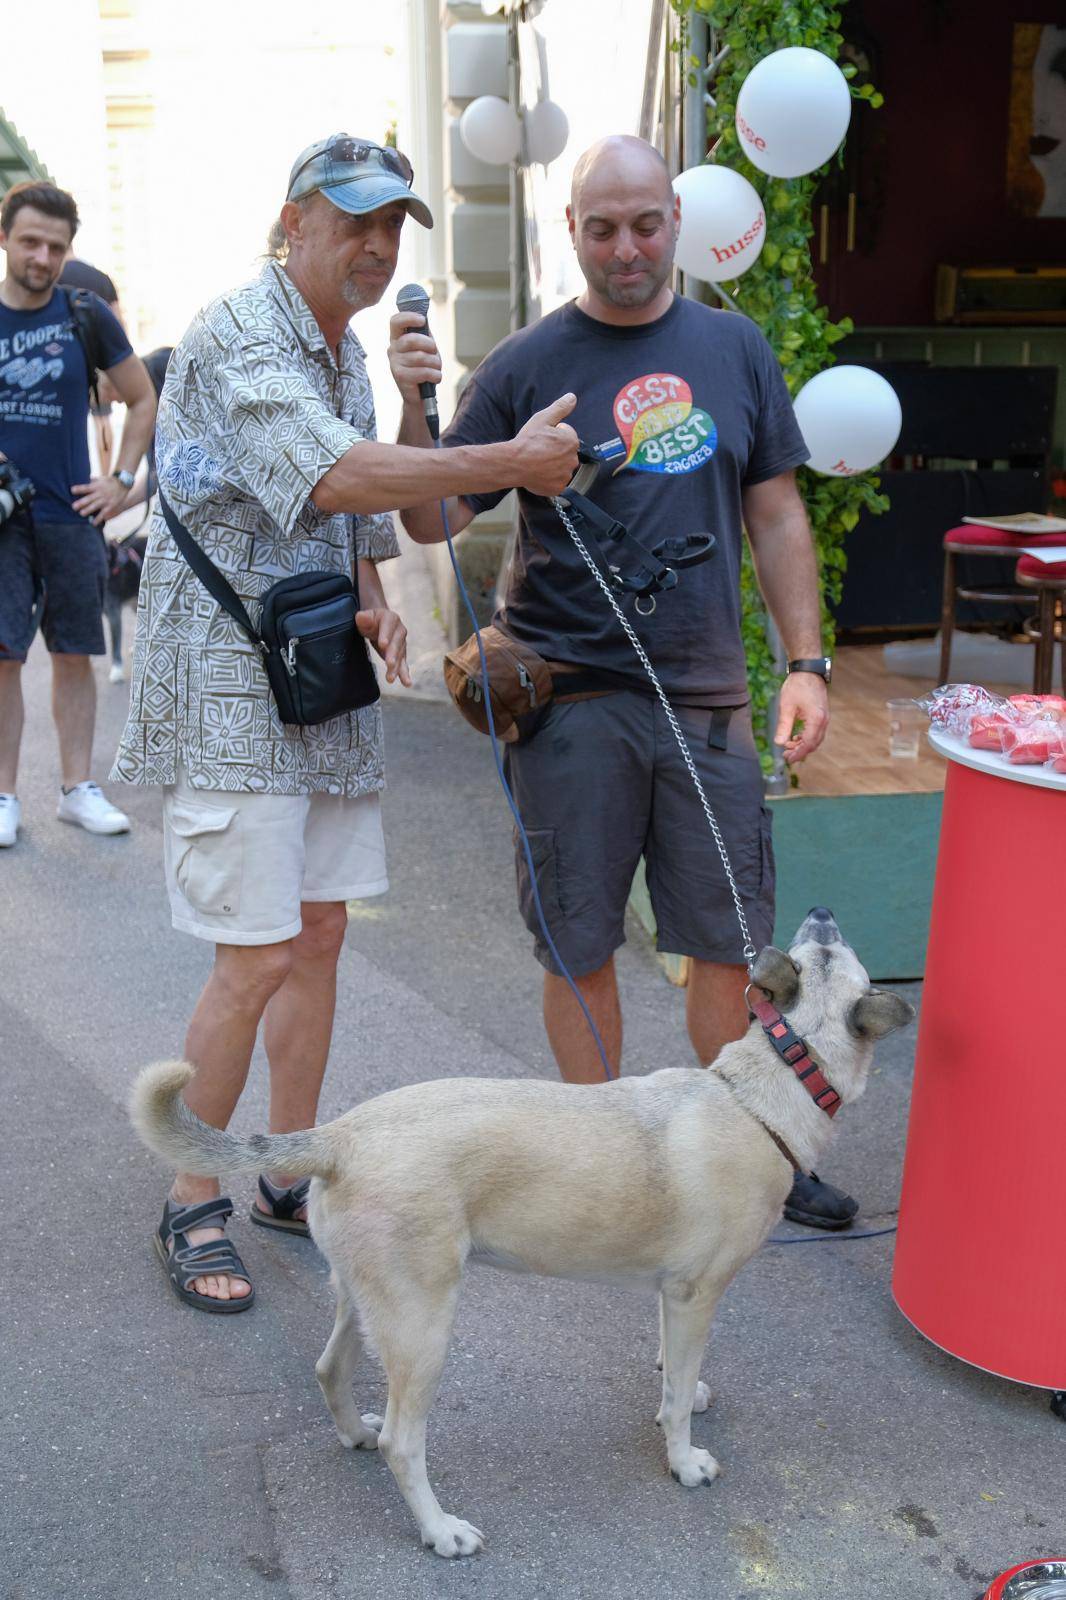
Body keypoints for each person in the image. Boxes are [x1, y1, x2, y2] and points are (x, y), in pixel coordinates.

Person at [110, 133, 579, 1312]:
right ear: (293, 222)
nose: (378, 247)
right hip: (229, 690)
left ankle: (281, 1165)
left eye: (393, 227)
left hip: (315, 680)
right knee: (256, 951)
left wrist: (374, 590)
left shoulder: (346, 356)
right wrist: (515, 458)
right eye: (354, 221)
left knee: (318, 932)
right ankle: (190, 1198)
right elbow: (332, 481)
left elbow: (382, 525)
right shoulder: (240, 332)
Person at [396, 135, 856, 1231]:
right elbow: (429, 514)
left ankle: (751, 1153)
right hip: (567, 706)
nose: (626, 247)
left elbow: (777, 511)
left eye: (645, 223)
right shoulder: (521, 363)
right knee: (580, 937)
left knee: (726, 941)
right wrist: (413, 403)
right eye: (601, 227)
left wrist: (805, 663)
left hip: (705, 703)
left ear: (675, 224)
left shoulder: (734, 347)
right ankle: (607, 1163)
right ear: (573, 233)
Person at [0, 181, 156, 848]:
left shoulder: (84, 315)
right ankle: (3, 797)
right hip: (3, 523)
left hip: (70, 514)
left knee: (74, 653)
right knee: (3, 658)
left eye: (55, 247)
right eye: (30, 241)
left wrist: (121, 482)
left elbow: (141, 398)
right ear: (4, 237)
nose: (42, 256)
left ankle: (76, 790)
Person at [59, 253, 125, 474]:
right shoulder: (101, 278)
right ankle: (104, 476)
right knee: (103, 421)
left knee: (63, 422)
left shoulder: (55, 276)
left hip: (63, 359)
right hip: (99, 362)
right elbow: (118, 322)